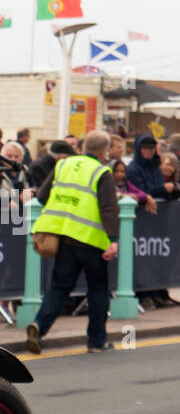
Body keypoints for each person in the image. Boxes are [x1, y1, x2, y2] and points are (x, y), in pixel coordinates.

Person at [25, 131, 122, 355]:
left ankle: (39, 326)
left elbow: (41, 196)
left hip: (64, 239)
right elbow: (109, 209)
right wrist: (114, 240)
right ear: (103, 152)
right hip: (92, 242)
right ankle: (96, 342)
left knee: (58, 289)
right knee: (98, 291)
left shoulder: (63, 165)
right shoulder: (102, 172)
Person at [126, 134, 170, 199]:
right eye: (145, 148)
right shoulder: (132, 169)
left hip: (160, 205)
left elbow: (161, 184)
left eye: (151, 148)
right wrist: (163, 189)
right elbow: (141, 193)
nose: (148, 151)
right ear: (138, 149)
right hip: (142, 207)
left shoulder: (155, 166)